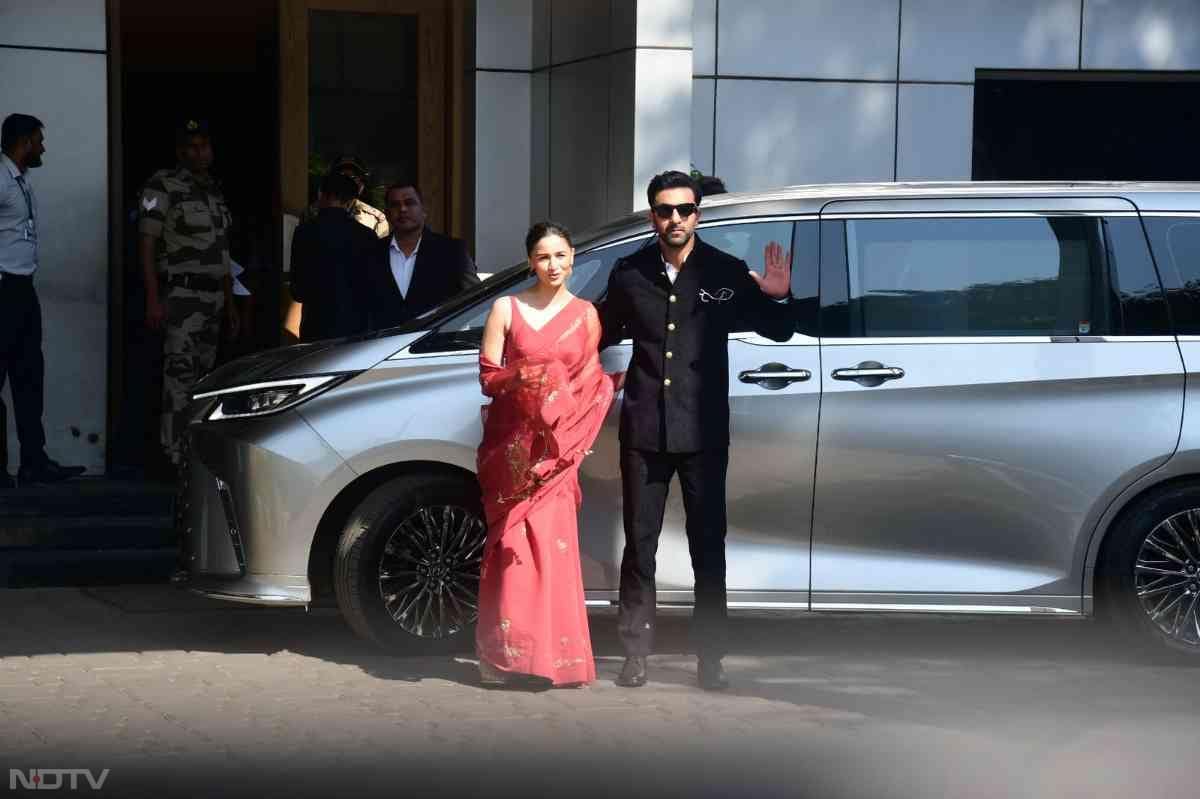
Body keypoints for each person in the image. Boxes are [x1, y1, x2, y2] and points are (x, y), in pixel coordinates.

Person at [598, 170, 794, 690]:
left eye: (685, 210)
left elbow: (779, 328)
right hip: (643, 431)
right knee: (639, 546)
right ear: (652, 217)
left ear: (698, 214)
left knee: (708, 546)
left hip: (704, 433)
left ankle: (711, 658)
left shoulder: (725, 272)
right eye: (665, 211)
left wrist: (775, 295)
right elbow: (597, 331)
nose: (675, 219)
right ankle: (636, 651)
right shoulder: (629, 272)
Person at [474, 222, 621, 688]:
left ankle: (552, 661)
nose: (553, 265)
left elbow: (591, 383)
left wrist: (573, 435)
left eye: (560, 255)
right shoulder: (507, 308)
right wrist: (526, 376)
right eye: (543, 257)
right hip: (514, 449)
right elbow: (487, 377)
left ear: (573, 256)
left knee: (553, 551)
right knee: (512, 550)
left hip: (557, 453)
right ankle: (504, 660)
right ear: (530, 262)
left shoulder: (585, 315)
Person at [138, 118, 238, 469]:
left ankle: (193, 455)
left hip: (214, 299)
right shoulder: (162, 185)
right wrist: (153, 298)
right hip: (181, 296)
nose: (200, 153)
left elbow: (223, 253)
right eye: (193, 147)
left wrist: (230, 305)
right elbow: (147, 243)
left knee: (204, 380)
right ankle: (174, 456)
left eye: (205, 146)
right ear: (181, 152)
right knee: (178, 378)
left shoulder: (213, 191)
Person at [0, 113, 86, 486]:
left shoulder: (21, 179)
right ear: (23, 142)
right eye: (39, 140)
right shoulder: (1, 178)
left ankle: (33, 462)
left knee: (29, 377)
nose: (43, 147)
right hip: (3, 289)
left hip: (21, 290)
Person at [365, 181, 479, 330]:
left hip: (435, 347)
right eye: (395, 205)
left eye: (409, 203)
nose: (403, 209)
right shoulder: (371, 253)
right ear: (387, 214)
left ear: (423, 209)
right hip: (381, 347)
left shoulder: (451, 250)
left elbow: (474, 298)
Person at [290, 172, 377, 342]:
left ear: (321, 194)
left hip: (315, 326)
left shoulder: (304, 232)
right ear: (351, 200)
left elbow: (298, 291)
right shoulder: (366, 235)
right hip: (356, 327)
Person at [304, 156, 388, 239]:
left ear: (362, 184)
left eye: (353, 177)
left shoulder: (377, 220)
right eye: (342, 176)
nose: (347, 181)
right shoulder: (311, 212)